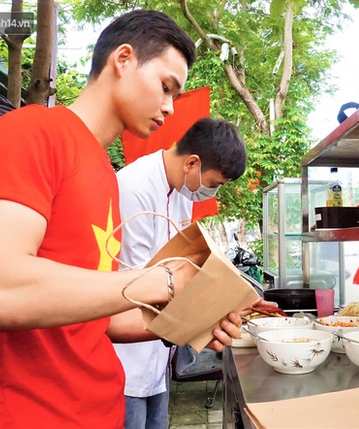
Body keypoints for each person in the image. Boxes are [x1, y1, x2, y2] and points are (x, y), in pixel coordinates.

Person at [0, 10, 244, 428]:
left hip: (97, 408)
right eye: (165, 87)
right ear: (122, 59)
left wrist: (194, 317)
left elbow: (100, 316)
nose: (168, 107)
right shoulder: (31, 132)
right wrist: (162, 280)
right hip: (26, 416)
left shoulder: (104, 174)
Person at [113, 117, 247, 429]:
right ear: (192, 163)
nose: (211, 192)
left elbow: (180, 265)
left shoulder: (182, 192)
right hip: (127, 355)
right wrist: (201, 319)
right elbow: (137, 287)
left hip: (158, 354)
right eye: (213, 184)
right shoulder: (135, 187)